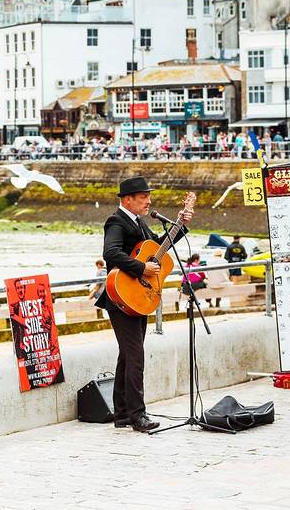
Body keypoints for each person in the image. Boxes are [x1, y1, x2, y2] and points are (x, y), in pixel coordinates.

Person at [96, 176, 193, 432]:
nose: (148, 201)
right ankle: (138, 415)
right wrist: (142, 268)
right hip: (121, 296)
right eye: (143, 197)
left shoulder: (139, 222)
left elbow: (157, 247)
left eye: (148, 197)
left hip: (137, 296)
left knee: (127, 356)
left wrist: (180, 226)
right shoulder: (116, 221)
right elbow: (111, 253)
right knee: (135, 356)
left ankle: (122, 415)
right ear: (127, 199)